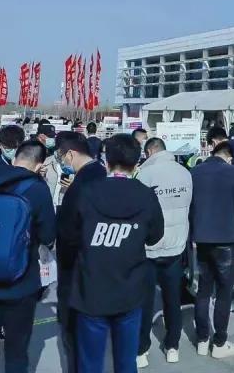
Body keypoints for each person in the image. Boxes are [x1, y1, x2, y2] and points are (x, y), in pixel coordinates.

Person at [63, 134, 164, 373]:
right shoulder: (146, 195)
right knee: (126, 362)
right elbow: (155, 235)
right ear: (136, 163)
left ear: (106, 161)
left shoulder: (85, 192)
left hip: (91, 290)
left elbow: (69, 235)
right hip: (130, 291)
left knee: (89, 363)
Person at [0, 140, 57, 373]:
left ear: (14, 158)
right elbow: (48, 235)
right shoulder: (37, 188)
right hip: (20, 282)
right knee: (16, 352)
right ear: (39, 165)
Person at [135, 137, 192, 367]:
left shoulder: (144, 175)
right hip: (176, 246)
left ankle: (141, 350)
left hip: (149, 248)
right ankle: (172, 346)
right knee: (173, 299)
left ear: (150, 152)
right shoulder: (185, 173)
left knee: (145, 301)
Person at [188, 141, 234, 359]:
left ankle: (202, 339)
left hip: (202, 237)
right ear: (229, 156)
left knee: (203, 290)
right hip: (227, 237)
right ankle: (220, 342)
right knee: (224, 292)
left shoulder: (195, 172)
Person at [56, 132, 107, 373]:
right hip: (99, 266)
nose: (61, 162)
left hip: (77, 267)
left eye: (61, 156)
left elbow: (68, 233)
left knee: (74, 334)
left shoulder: (81, 186)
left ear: (71, 154)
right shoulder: (101, 174)